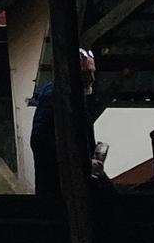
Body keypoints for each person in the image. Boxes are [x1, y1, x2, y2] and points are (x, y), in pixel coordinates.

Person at [28, 45, 103, 201]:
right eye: (87, 72)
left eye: (93, 71)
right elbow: (40, 141)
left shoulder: (73, 98)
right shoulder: (53, 97)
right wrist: (82, 162)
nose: (92, 78)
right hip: (58, 190)